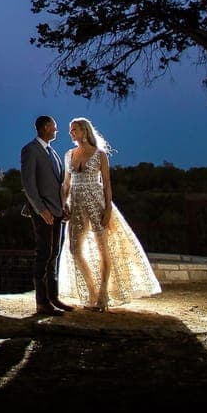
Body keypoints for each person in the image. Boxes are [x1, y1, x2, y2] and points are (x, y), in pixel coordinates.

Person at [59, 117, 161, 311]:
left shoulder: (100, 154)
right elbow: (66, 183)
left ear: (84, 130)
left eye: (74, 129)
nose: (70, 133)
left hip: (96, 202)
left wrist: (108, 209)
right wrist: (63, 203)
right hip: (76, 203)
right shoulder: (69, 154)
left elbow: (106, 184)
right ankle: (91, 291)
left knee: (102, 246)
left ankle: (103, 294)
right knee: (74, 249)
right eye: (70, 130)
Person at [20, 115, 74, 315]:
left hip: (58, 211)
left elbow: (59, 184)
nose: (56, 130)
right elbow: (29, 184)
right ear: (44, 128)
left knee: (55, 255)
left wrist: (63, 205)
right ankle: (42, 302)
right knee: (44, 254)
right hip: (43, 213)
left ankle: (54, 298)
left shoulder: (52, 152)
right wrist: (41, 210)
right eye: (54, 127)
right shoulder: (30, 150)